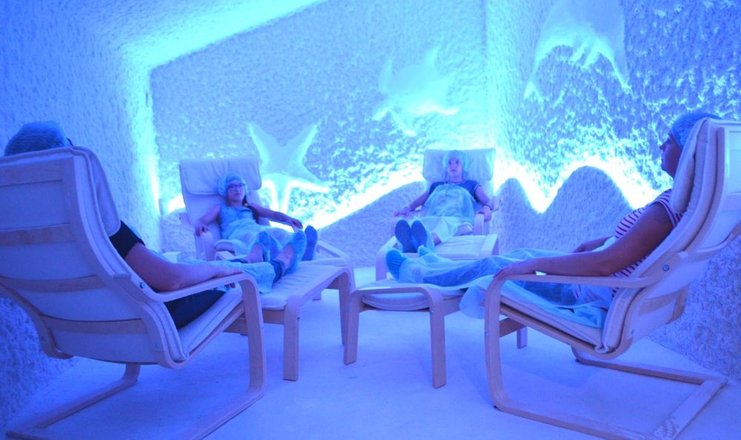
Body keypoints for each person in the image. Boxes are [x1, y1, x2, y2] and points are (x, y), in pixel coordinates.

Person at [385, 112, 720, 327]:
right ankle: (433, 261)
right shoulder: (685, 205)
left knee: (498, 266)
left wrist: (537, 266)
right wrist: (597, 242)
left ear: (690, 153)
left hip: (585, 291)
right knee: (518, 256)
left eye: (670, 141)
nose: (661, 145)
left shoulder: (665, 212)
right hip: (595, 282)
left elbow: (605, 265)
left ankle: (419, 272)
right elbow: (627, 250)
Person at [4, 121, 306, 328]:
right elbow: (171, 281)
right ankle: (277, 265)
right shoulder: (96, 227)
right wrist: (215, 270)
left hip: (82, 326)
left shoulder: (15, 239)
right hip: (158, 311)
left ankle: (249, 260)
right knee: (219, 271)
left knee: (196, 264)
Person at [392, 149, 499, 252]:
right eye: (449, 163)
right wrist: (407, 208)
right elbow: (417, 202)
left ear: (464, 165)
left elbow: (487, 201)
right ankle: (409, 244)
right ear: (445, 166)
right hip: (434, 217)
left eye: (457, 162)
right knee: (419, 223)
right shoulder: (436, 185)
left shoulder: (471, 185)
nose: (453, 166)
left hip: (457, 219)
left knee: (444, 224)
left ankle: (426, 244)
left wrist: (486, 208)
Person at [194, 174, 318, 262]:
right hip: (237, 233)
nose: (237, 189)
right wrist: (200, 223)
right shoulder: (220, 208)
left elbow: (272, 214)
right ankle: (275, 254)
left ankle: (304, 250)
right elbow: (203, 220)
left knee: (278, 232)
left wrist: (287, 219)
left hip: (257, 228)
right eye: (232, 187)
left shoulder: (250, 206)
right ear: (225, 191)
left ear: (245, 189)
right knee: (256, 237)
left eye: (240, 186)